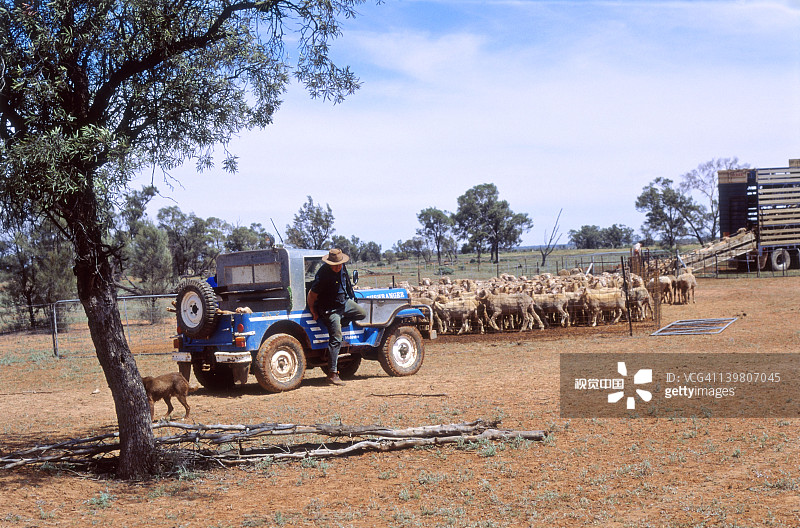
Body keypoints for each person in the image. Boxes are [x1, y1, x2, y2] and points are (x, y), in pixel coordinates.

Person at [306, 248, 367, 385]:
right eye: (335, 265)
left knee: (362, 313)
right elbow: (312, 294)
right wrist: (312, 309)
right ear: (329, 264)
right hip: (330, 310)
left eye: (339, 264)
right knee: (336, 339)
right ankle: (332, 374)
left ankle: (341, 323)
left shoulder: (343, 268)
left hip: (343, 304)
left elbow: (346, 285)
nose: (338, 267)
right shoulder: (323, 275)